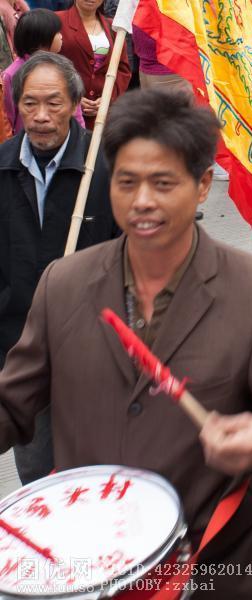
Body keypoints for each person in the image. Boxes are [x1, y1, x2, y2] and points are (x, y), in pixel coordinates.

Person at [0, 86, 252, 597]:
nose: (142, 201)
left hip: (210, 570)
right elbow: (12, 403)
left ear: (202, 186)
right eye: (127, 182)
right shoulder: (63, 284)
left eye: (163, 183)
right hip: (86, 570)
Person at [0, 52, 118, 485]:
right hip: (21, 352)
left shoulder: (105, 168)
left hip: (95, 350)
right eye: (30, 103)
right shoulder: (2, 166)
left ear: (74, 104)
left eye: (53, 103)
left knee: (97, 470)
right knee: (37, 474)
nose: (41, 116)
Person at [2, 8, 85, 135]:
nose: (61, 37)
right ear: (42, 38)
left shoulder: (63, 69)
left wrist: (81, 137)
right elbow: (8, 118)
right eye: (57, 33)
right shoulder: (11, 75)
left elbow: (76, 114)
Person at [57, 0, 130, 129]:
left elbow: (122, 69)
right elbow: (46, 63)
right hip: (65, 112)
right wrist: (69, 96)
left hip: (103, 115)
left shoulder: (113, 27)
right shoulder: (57, 21)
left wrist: (108, 98)